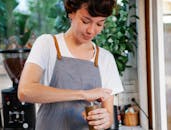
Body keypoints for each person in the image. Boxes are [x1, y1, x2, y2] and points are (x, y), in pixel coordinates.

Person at [18, 0, 124, 130]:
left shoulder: (105, 58)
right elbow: (25, 91)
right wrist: (83, 94)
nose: (91, 30)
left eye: (99, 24)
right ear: (71, 13)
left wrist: (105, 119)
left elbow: (109, 116)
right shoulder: (47, 45)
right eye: (85, 21)